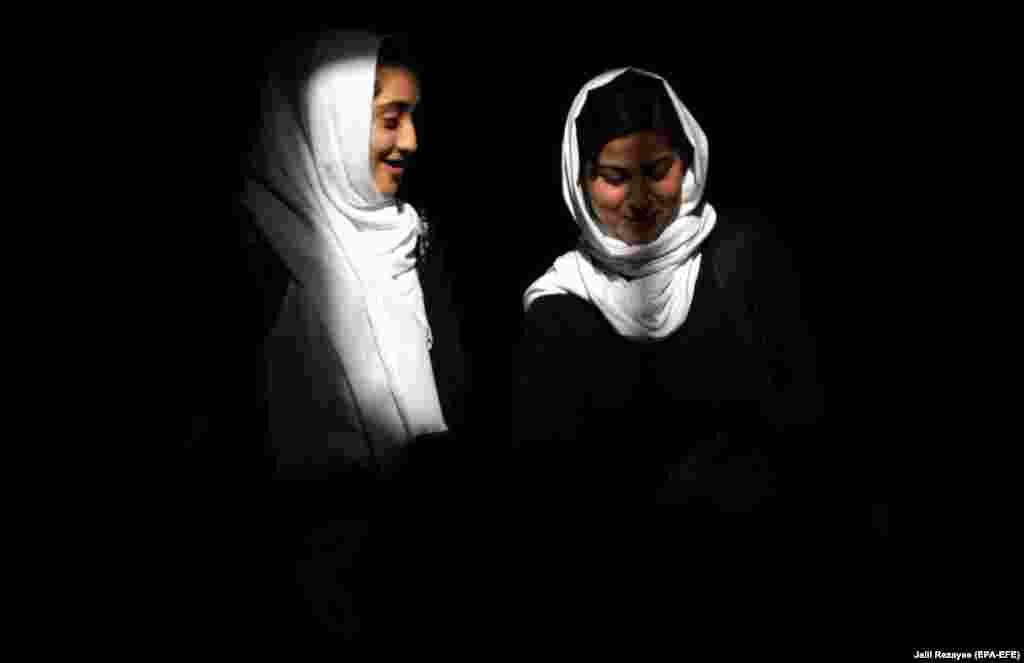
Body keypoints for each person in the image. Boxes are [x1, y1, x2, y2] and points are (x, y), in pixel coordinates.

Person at [512, 68, 823, 515]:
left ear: (688, 163)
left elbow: (807, 428)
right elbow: (552, 484)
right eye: (615, 178)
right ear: (579, 182)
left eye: (658, 171)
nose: (639, 199)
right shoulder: (558, 307)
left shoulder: (747, 260)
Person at [236, 30, 470, 485]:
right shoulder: (262, 246)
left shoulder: (413, 237)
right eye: (390, 119)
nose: (411, 141)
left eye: (413, 117)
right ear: (331, 121)